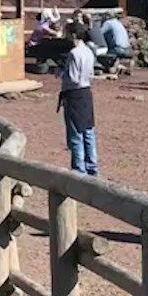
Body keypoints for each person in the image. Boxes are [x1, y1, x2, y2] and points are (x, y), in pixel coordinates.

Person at [58, 23, 98, 175]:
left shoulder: (74, 53)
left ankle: (79, 169)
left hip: (74, 95)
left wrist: (61, 74)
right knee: (88, 131)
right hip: (86, 93)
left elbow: (73, 78)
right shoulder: (89, 51)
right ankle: (92, 166)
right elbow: (91, 74)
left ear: (73, 35)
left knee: (75, 134)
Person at [100, 12, 132, 76]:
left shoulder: (108, 23)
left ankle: (112, 68)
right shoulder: (118, 23)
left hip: (118, 49)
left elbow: (99, 33)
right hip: (127, 49)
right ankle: (119, 67)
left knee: (102, 56)